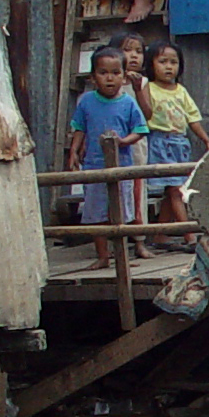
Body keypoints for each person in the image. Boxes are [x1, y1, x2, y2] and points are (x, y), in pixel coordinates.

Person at [69, 46, 148, 272]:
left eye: (115, 73)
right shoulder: (85, 102)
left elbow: (141, 129)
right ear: (93, 78)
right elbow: (79, 128)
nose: (110, 78)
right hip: (94, 165)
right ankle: (102, 256)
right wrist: (74, 151)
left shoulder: (128, 103)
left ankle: (121, 255)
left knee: (121, 215)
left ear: (124, 77)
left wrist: (124, 141)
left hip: (122, 167)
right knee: (95, 213)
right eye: (103, 73)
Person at [141, 41, 209, 242]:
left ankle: (159, 234)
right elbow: (144, 112)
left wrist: (206, 140)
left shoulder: (181, 91)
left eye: (174, 62)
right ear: (151, 64)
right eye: (163, 61)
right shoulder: (149, 88)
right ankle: (189, 235)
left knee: (171, 189)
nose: (169, 66)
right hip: (159, 142)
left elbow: (193, 118)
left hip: (180, 144)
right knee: (175, 190)